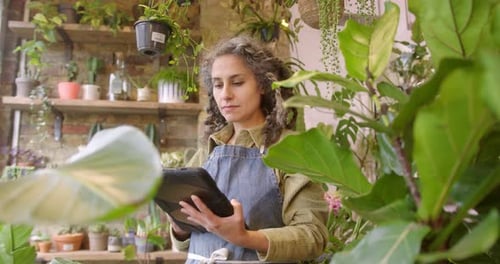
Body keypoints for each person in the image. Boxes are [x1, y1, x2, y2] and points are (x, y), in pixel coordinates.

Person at [170, 35, 328, 263]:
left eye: (237, 82)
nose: (225, 94)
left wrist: (245, 237)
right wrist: (180, 226)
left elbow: (313, 236)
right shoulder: (208, 151)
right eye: (217, 84)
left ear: (263, 85)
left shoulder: (293, 149)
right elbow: (186, 243)